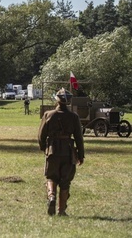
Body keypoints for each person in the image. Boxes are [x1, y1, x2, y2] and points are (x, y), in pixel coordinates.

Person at [38, 88, 84, 216]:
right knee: (65, 180)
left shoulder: (48, 114)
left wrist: (44, 148)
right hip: (68, 152)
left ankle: (51, 197)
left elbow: (41, 135)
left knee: (51, 177)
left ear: (57, 100)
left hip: (52, 151)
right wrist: (81, 155)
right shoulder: (74, 117)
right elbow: (79, 138)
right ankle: (61, 210)